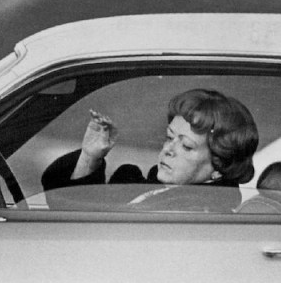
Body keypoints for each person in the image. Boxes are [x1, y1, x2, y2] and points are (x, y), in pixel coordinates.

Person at [40, 88, 259, 211]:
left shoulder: (192, 214)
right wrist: (89, 157)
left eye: (186, 146)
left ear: (219, 167)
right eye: (169, 137)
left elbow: (83, 229)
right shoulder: (157, 190)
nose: (168, 150)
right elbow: (69, 212)